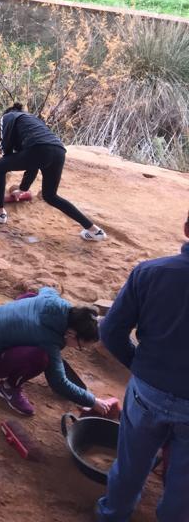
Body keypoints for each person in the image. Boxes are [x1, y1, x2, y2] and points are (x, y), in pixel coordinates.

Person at [95, 211, 189, 521]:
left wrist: (141, 365)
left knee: (130, 466)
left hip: (147, 392)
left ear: (186, 228)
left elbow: (110, 331)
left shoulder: (150, 272)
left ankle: (112, 515)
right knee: (183, 488)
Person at [0, 286, 120, 418]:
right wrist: (93, 401)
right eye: (80, 346)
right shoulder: (49, 341)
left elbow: (46, 288)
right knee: (40, 358)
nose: (76, 348)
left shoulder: (55, 301)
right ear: (72, 334)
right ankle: (8, 388)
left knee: (31, 297)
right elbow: (59, 382)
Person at [0, 103, 107, 241]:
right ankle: (94, 231)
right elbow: (34, 163)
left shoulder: (7, 117)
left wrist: (4, 153)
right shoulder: (33, 121)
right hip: (59, 151)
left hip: (40, 149)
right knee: (50, 196)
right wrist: (23, 189)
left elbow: (6, 152)